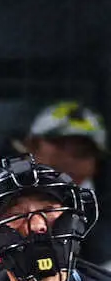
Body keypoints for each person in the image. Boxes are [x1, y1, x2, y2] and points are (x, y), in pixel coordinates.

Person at [19, 100, 111, 268]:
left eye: (82, 153)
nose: (69, 161)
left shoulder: (103, 219)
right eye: (61, 147)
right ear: (31, 146)